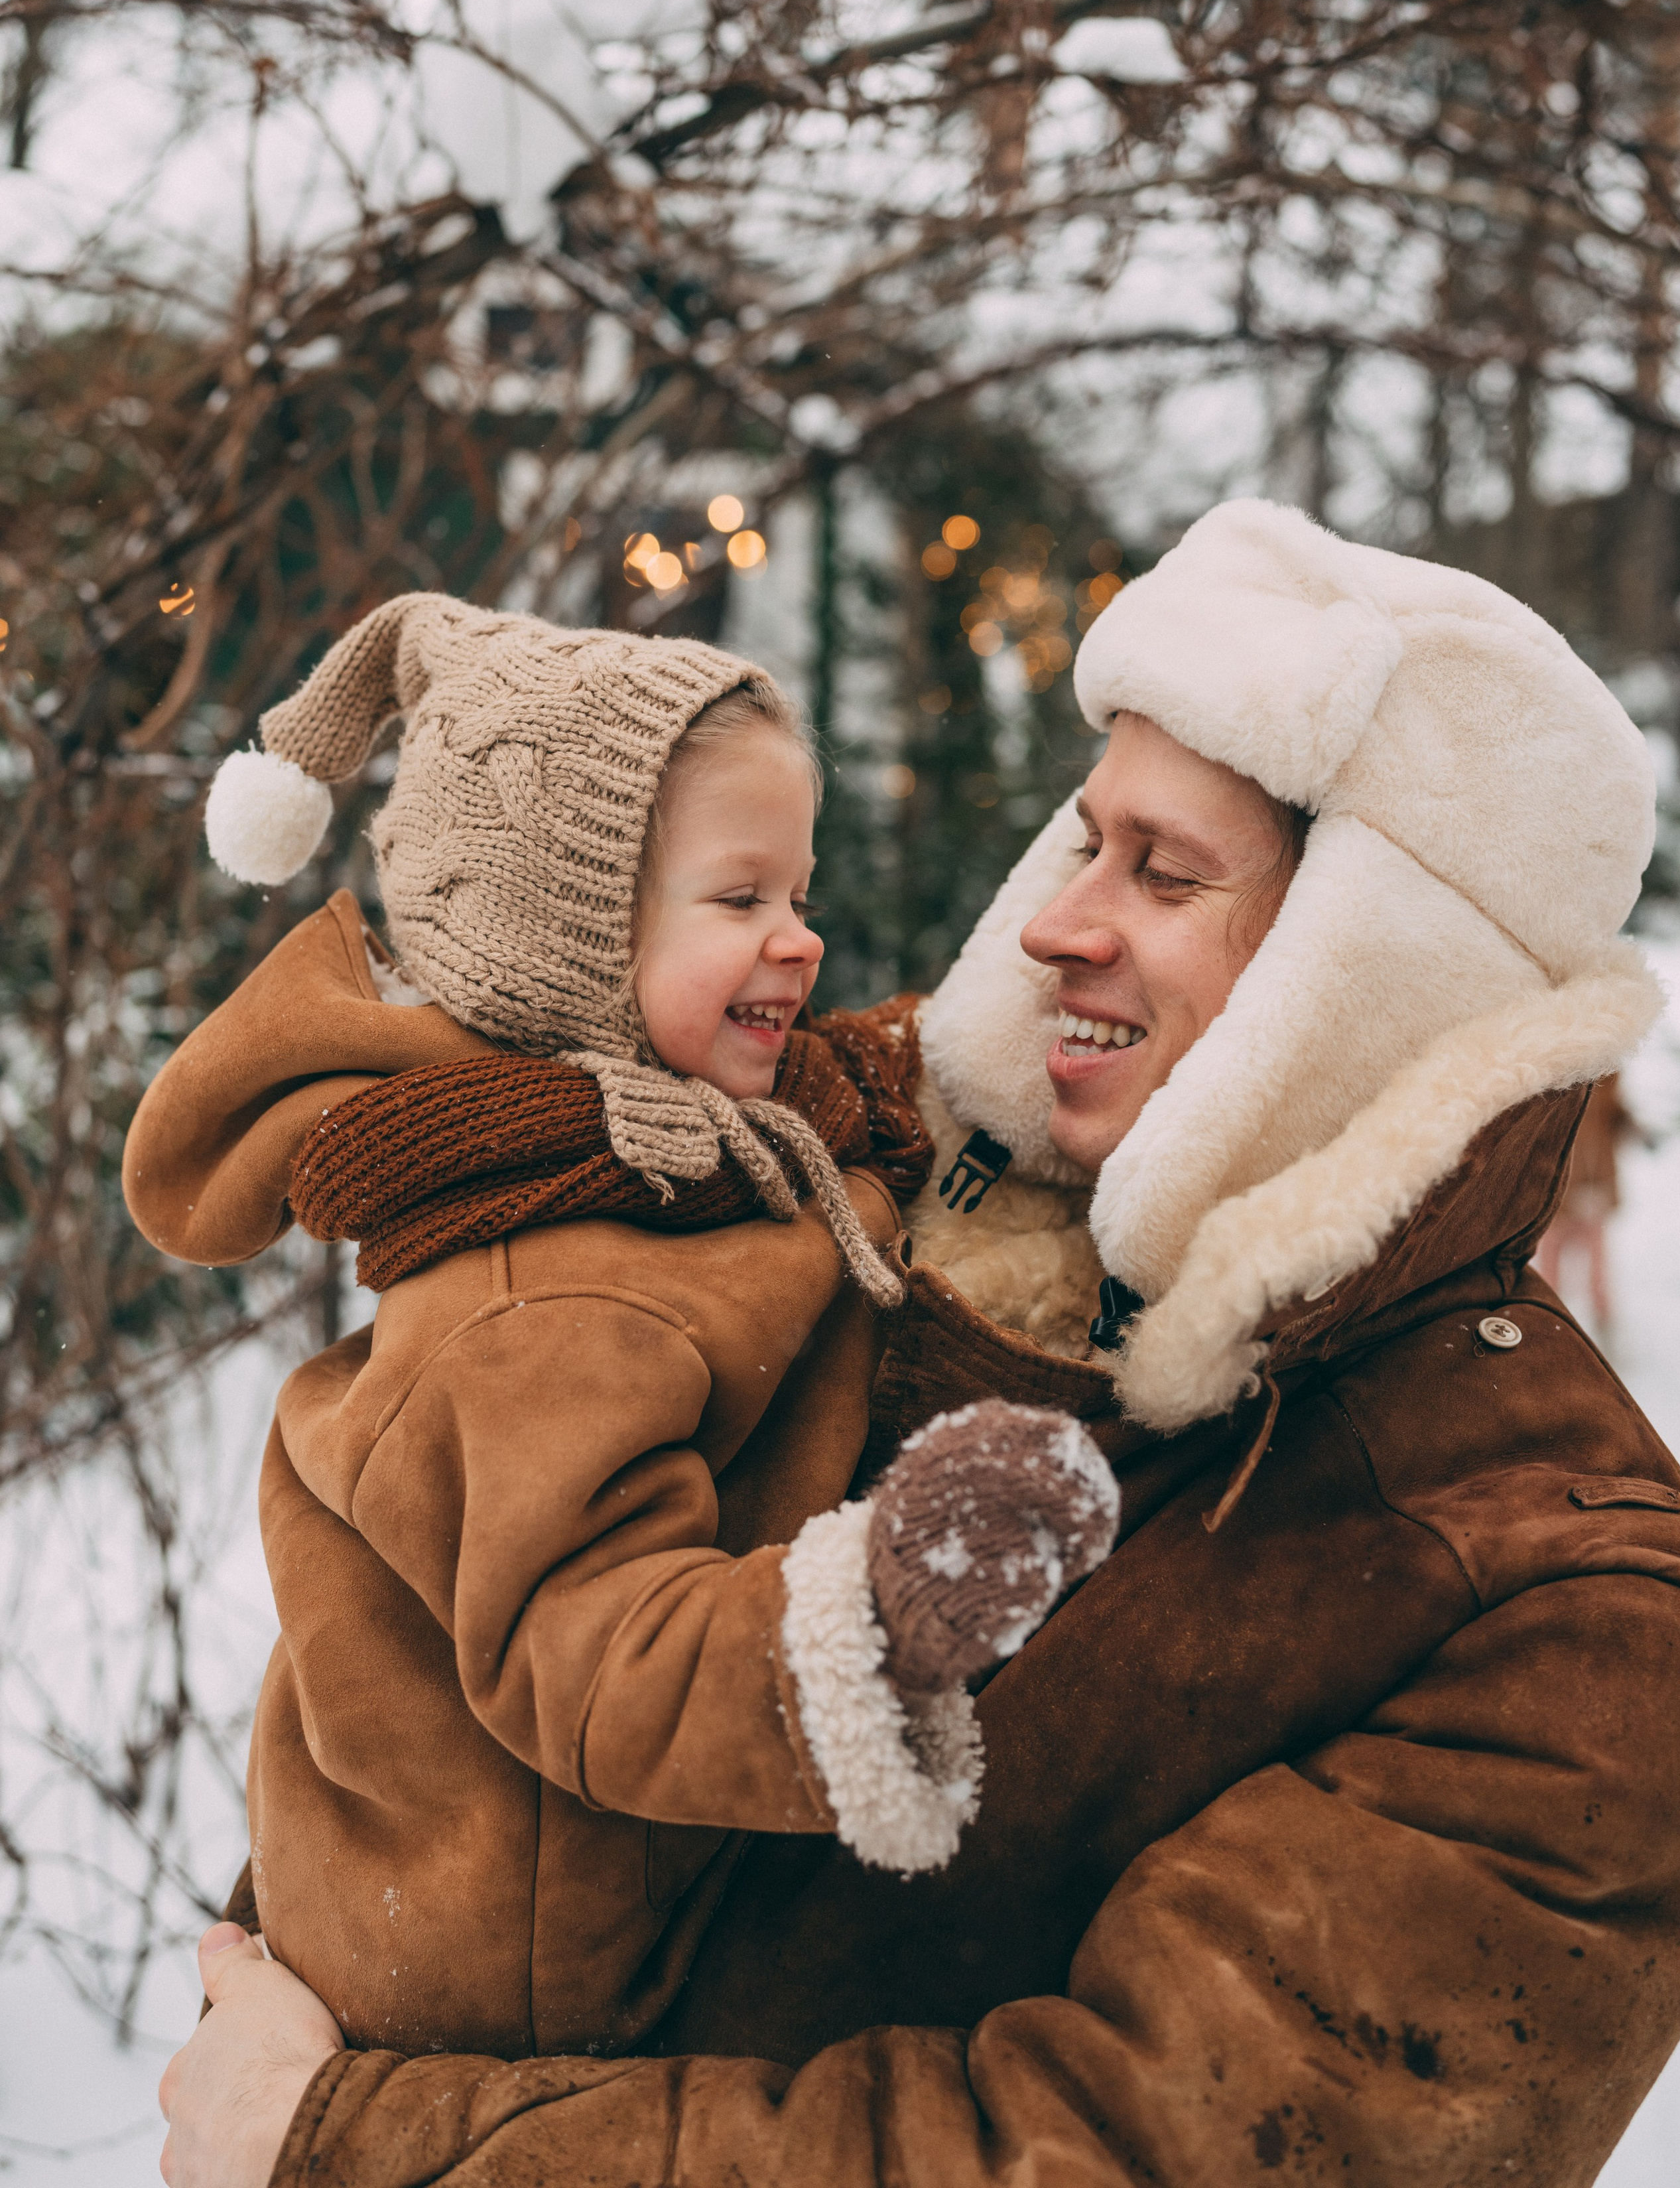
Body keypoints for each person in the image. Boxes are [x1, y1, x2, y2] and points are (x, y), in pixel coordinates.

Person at [161, 504, 1680, 2188]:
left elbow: (1109, 2155)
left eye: (1162, 872)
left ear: (1369, 975)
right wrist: (312, 1959)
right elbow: (473, 1607)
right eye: (1082, 842)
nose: (1050, 923)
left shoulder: (1572, 1619)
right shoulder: (845, 1151)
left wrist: (343, 2142)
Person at [124, 595, 1117, 2067]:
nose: (800, 939)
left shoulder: (689, 1153)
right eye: (741, 898)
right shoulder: (538, 1293)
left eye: (800, 890)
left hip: (614, 1898)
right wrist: (875, 1617)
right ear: (568, 943)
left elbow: (840, 1124)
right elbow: (597, 1658)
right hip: (508, 1985)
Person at [1533, 1071, 1640, 1341]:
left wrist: (1634, 1128)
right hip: (1561, 1189)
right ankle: (1548, 1314)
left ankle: (1603, 1315)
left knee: (1597, 1259)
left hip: (1595, 1189)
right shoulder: (1556, 1081)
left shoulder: (1609, 1080)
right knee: (1551, 1256)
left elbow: (1618, 1114)